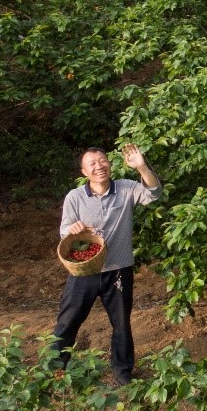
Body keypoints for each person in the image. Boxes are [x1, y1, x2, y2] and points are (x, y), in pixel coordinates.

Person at [52, 144, 162, 386]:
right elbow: (64, 230)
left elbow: (153, 193)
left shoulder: (126, 188)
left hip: (118, 271)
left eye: (102, 161)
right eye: (92, 163)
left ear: (109, 164)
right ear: (84, 172)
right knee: (68, 320)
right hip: (84, 270)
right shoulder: (75, 197)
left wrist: (142, 167)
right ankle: (54, 369)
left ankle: (123, 373)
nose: (99, 166)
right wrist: (72, 229)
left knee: (121, 322)